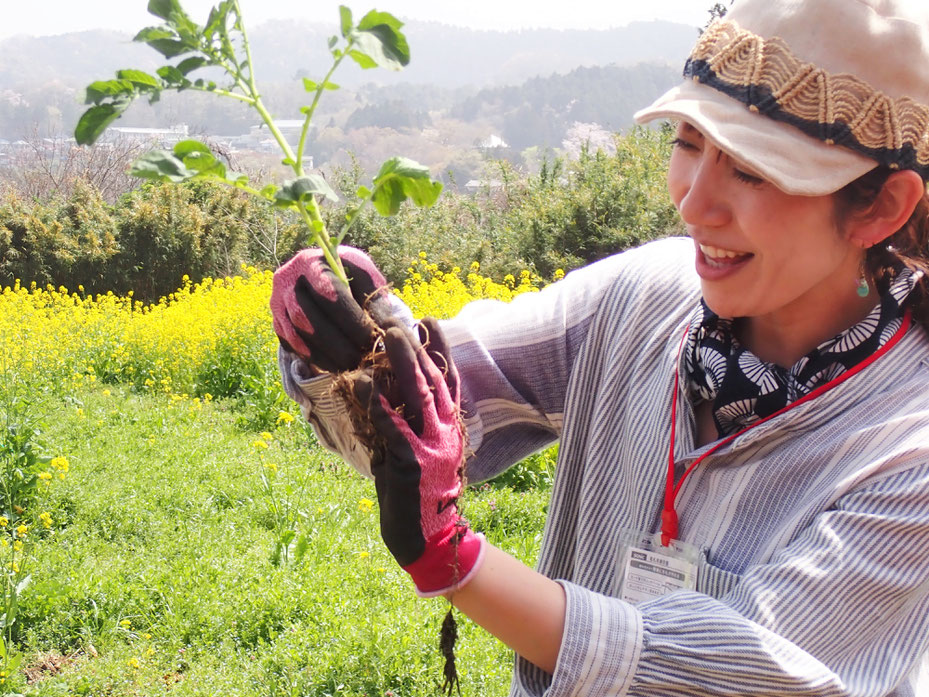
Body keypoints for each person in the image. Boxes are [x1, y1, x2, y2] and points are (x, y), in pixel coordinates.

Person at [271, 0, 929, 694]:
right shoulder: (644, 294)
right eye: (686, 142)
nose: (693, 202)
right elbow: (454, 411)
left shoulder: (906, 452)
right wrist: (356, 352)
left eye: (751, 172)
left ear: (879, 207)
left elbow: (740, 673)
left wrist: (456, 559)